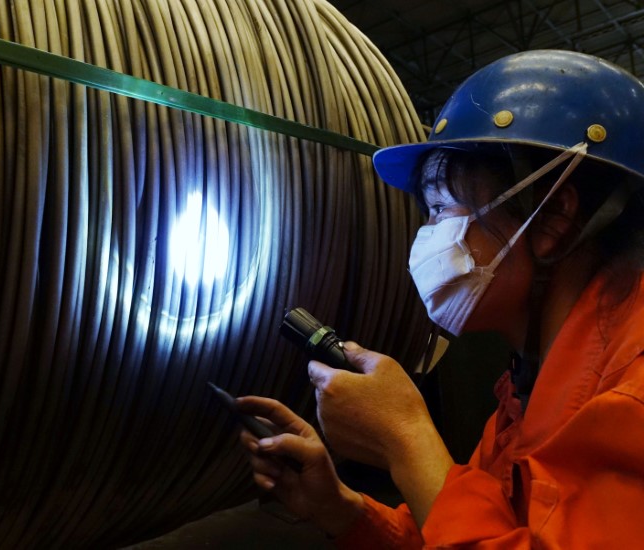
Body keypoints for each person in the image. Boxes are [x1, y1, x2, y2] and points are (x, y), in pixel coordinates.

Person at [238, 49, 644, 548]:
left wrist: (406, 440)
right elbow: (467, 529)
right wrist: (342, 510)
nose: (429, 238)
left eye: (441, 208)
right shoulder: (527, 390)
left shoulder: (632, 399)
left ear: (554, 216)